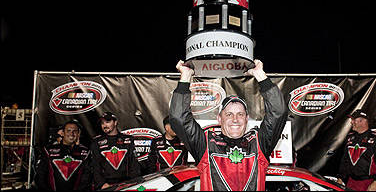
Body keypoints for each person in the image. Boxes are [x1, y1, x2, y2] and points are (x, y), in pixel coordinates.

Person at [169, 59, 288, 191]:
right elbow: (178, 117)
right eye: (229, 114)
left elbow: (278, 112)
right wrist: (185, 75)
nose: (235, 119)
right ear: (219, 119)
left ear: (247, 118)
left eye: (240, 114)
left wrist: (260, 74)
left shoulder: (259, 143)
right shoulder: (206, 144)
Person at [337, 110, 376, 191]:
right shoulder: (350, 138)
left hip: (369, 183)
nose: (351, 122)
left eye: (353, 120)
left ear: (362, 121)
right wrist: (341, 177)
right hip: (351, 182)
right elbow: (345, 160)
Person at [89, 112, 141, 190]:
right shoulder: (96, 142)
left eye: (108, 122)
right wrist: (102, 184)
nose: (104, 125)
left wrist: (133, 182)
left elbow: (134, 164)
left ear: (115, 122)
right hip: (107, 185)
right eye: (102, 123)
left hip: (126, 184)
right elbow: (95, 166)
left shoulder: (128, 139)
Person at [35, 119, 91, 191]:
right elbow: (40, 175)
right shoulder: (48, 150)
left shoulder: (85, 152)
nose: (71, 133)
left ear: (78, 134)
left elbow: (87, 178)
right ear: (63, 133)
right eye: (68, 131)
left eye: (75, 131)